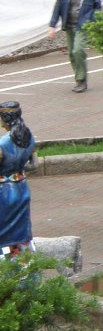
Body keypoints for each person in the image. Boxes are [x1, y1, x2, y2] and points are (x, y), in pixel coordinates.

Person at [48, 0, 101, 93]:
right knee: (72, 54)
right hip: (69, 25)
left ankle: (81, 79)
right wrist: (52, 25)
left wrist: (92, 20)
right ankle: (79, 78)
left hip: (83, 25)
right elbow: (59, 5)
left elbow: (97, 7)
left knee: (78, 50)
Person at [0, 101, 35, 257]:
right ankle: (25, 265)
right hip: (21, 187)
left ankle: (6, 270)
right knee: (21, 233)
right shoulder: (29, 137)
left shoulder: (3, 144)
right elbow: (34, 164)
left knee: (4, 234)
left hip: (4, 192)